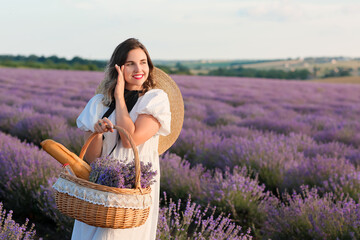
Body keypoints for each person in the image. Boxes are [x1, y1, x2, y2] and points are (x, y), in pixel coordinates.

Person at [71, 38, 176, 240]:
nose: (139, 69)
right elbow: (91, 160)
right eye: (130, 63)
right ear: (118, 68)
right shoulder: (98, 103)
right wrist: (98, 133)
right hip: (99, 190)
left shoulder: (155, 99)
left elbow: (130, 140)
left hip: (132, 193)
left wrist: (120, 97)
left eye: (143, 62)